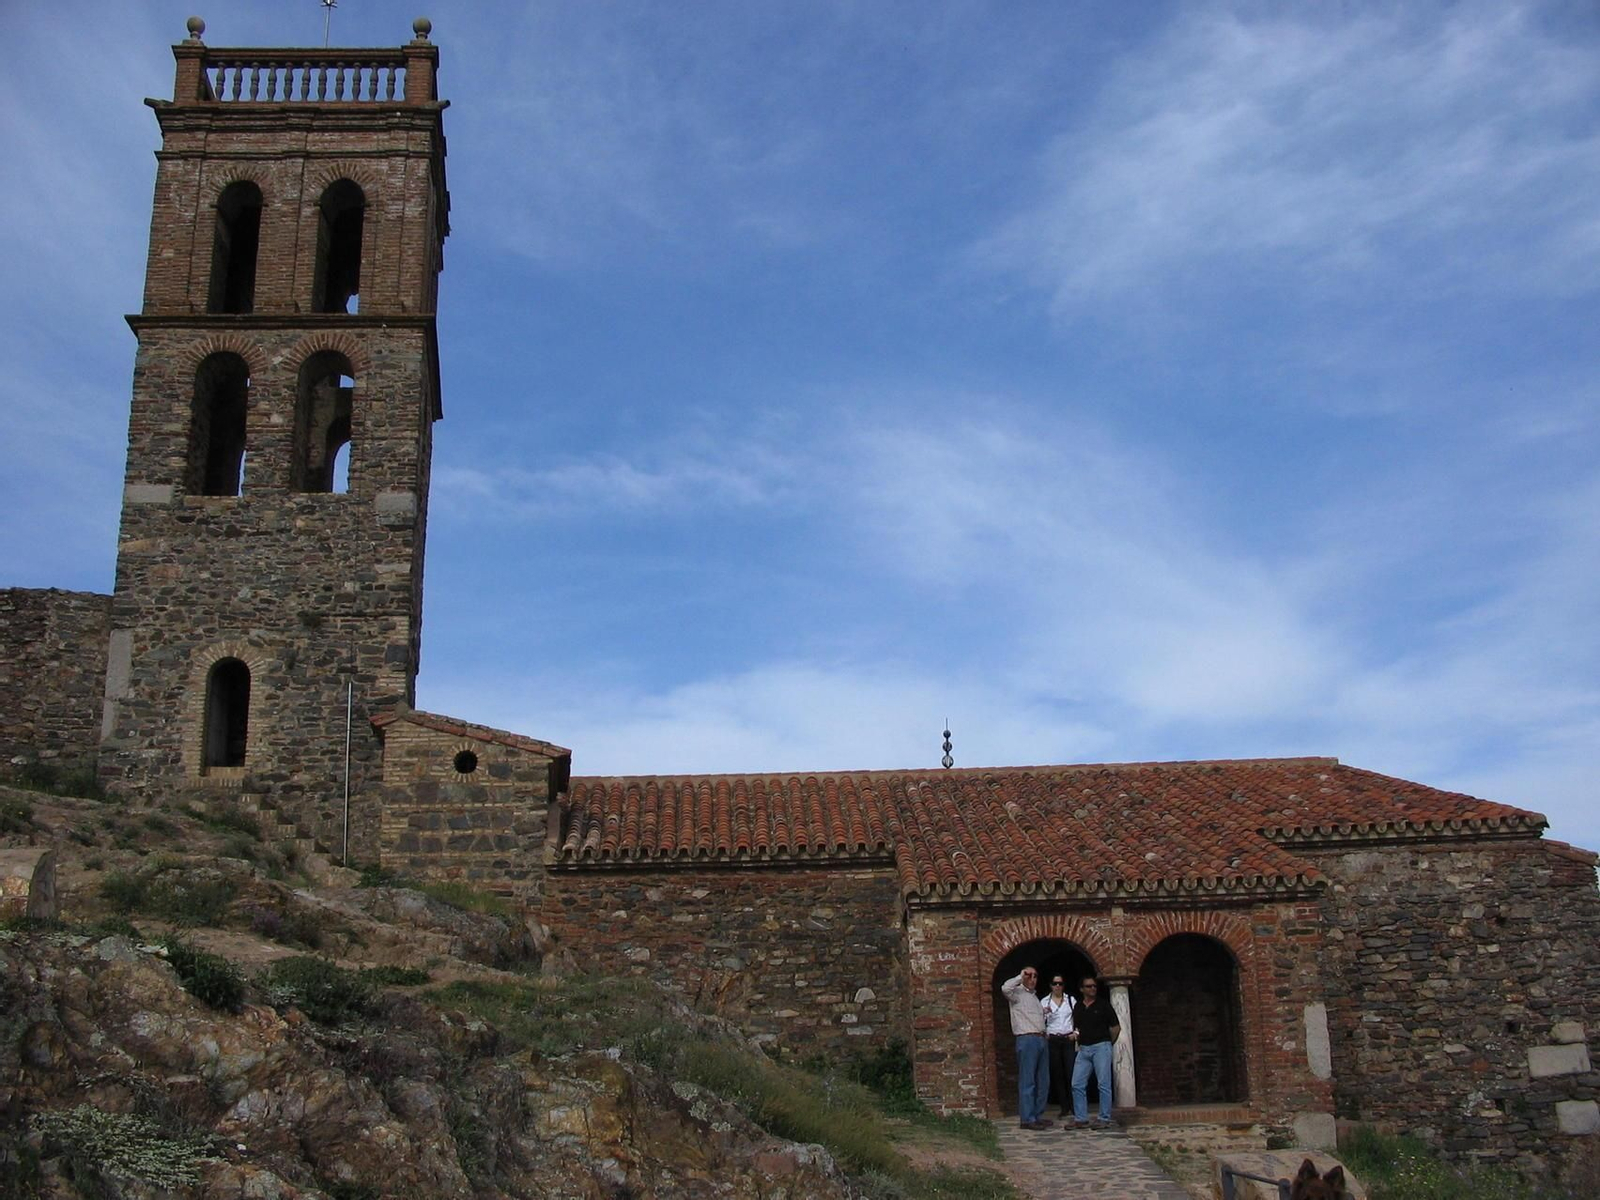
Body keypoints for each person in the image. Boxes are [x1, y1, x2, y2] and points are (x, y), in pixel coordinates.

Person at [999, 966, 1053, 1129]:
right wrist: (1020, 976)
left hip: (1041, 1038)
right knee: (1028, 1080)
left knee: (1043, 1081)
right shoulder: (1016, 993)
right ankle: (1027, 1118)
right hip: (1027, 1039)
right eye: (1029, 975)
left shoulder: (1034, 997)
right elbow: (1005, 988)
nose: (1032, 979)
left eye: (1035, 976)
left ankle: (1037, 1115)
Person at [1068, 975, 1120, 1129]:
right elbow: (1077, 1028)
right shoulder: (1078, 1007)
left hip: (1101, 1046)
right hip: (1084, 1049)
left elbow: (1116, 1027)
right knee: (1077, 1083)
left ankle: (1104, 1118)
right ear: (1082, 989)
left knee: (1103, 1084)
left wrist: (1108, 1043)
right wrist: (1076, 1037)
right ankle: (1081, 1118)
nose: (1092, 989)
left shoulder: (1103, 1005)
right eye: (1089, 986)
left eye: (1094, 986)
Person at [1041, 973, 1077, 1118]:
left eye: (1060, 984)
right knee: (1058, 1074)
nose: (1057, 986)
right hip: (1053, 1039)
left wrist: (1076, 1033)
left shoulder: (1071, 1000)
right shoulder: (1044, 1002)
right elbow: (1039, 1021)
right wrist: (1045, 1033)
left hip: (1068, 1038)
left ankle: (1074, 1105)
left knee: (1071, 1072)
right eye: (1055, 984)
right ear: (1050, 985)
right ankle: (1064, 1106)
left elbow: (1078, 1018)